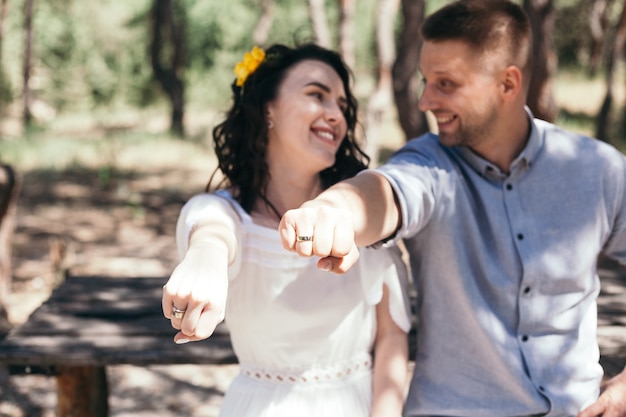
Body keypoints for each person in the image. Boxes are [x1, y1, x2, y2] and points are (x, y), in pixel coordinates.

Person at [278, 1, 626, 416]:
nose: (425, 100)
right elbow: (384, 193)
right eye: (426, 80)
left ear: (508, 84)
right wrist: (335, 211)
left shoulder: (598, 170)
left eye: (446, 84)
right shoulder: (428, 163)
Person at [162, 43, 411, 417]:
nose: (335, 115)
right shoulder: (224, 213)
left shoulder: (359, 213)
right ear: (268, 109)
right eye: (317, 95)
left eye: (342, 106)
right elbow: (211, 231)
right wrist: (204, 261)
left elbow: (392, 336)